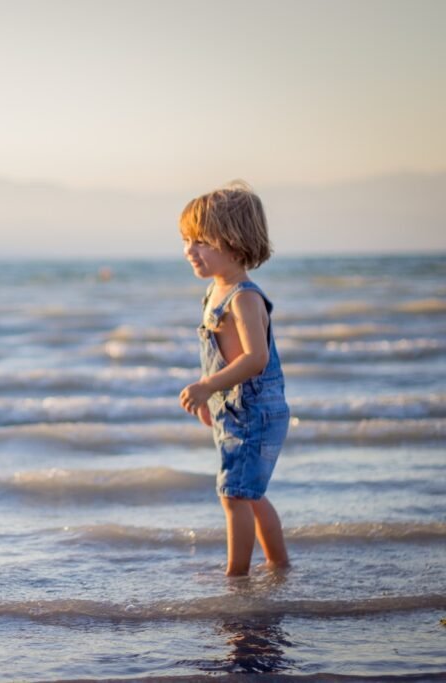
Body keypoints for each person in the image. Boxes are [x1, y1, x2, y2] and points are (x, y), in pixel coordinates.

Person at [177, 181, 290, 577]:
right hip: (235, 409)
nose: (189, 250)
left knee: (234, 496)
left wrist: (209, 387)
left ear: (233, 242)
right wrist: (211, 397)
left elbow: (255, 359)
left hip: (255, 411)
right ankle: (278, 566)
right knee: (249, 494)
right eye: (186, 240)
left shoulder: (243, 297)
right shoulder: (213, 292)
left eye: (201, 241)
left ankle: (236, 577)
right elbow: (219, 357)